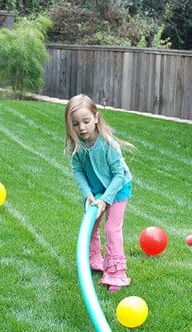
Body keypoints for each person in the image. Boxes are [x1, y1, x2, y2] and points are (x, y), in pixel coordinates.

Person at [64, 94, 133, 292]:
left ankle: (116, 274)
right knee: (91, 226)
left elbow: (119, 175)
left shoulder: (107, 144)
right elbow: (78, 170)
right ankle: (95, 260)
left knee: (111, 229)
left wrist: (105, 200)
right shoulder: (76, 144)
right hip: (94, 190)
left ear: (96, 117)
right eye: (75, 124)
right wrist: (88, 195)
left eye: (86, 121)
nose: (82, 128)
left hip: (118, 187)